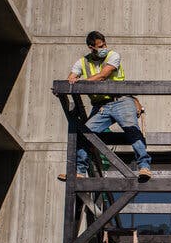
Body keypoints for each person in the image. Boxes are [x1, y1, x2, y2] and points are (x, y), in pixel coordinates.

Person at [58, 31, 151, 181]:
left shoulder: (113, 55)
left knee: (132, 130)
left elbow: (103, 75)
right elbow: (71, 78)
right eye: (100, 46)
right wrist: (66, 85)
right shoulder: (82, 62)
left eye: (104, 44)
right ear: (91, 47)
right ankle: (80, 171)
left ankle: (144, 167)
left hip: (121, 100)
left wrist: (80, 83)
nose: (104, 48)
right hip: (101, 106)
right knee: (84, 135)